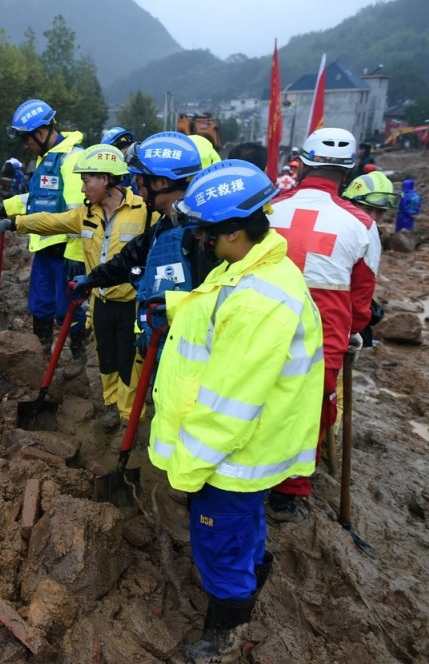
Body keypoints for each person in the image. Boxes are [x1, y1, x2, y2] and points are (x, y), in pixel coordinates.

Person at [149, 159, 324, 663]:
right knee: (244, 528)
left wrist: (188, 470)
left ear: (231, 233)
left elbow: (228, 405)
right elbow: (218, 310)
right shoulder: (259, 268)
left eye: (206, 231)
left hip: (230, 457)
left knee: (217, 544)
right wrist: (180, 307)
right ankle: (253, 572)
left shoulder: (257, 302)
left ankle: (222, 634)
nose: (200, 239)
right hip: (250, 451)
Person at [0, 144, 150, 426]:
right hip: (101, 301)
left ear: (105, 179)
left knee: (130, 365)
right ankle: (110, 407)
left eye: (86, 180)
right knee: (106, 362)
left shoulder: (144, 212)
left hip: (132, 304)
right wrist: (11, 224)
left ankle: (130, 421)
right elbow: (49, 221)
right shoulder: (86, 214)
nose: (82, 187)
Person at [266, 127, 380, 522]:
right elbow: (362, 296)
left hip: (263, 318)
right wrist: (355, 332)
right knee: (310, 409)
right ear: (345, 174)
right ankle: (288, 493)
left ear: (302, 165)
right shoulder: (362, 223)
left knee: (257, 393)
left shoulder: (270, 207)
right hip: (325, 330)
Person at [70, 131, 205, 429]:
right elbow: (126, 260)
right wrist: (92, 279)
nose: (138, 190)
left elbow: (211, 298)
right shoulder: (162, 227)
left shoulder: (201, 235)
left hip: (195, 355)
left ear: (161, 182)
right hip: (167, 343)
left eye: (142, 183)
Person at [0, 99, 87, 356]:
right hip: (45, 247)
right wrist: (9, 206)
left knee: (67, 308)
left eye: (27, 139)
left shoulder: (72, 159)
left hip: (67, 252)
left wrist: (77, 255)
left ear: (41, 133)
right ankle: (41, 357)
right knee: (40, 305)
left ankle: (79, 356)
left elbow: (78, 213)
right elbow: (40, 199)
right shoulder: (45, 159)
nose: (25, 146)